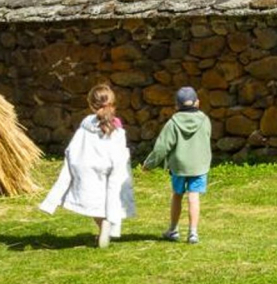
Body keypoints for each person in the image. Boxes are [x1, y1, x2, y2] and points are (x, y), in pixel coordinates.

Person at [38, 83, 135, 247]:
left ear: (91, 105)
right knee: (108, 197)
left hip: (87, 166)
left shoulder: (86, 124)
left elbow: (75, 147)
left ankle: (102, 224)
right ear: (113, 102)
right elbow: (116, 148)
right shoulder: (116, 126)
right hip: (108, 165)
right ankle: (107, 224)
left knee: (92, 200)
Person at [142, 85, 212, 245]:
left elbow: (161, 147)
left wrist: (149, 164)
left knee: (177, 195)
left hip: (179, 167)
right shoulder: (205, 120)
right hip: (199, 166)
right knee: (194, 197)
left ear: (176, 106)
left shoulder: (172, 123)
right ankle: (193, 233)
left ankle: (173, 230)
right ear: (197, 103)